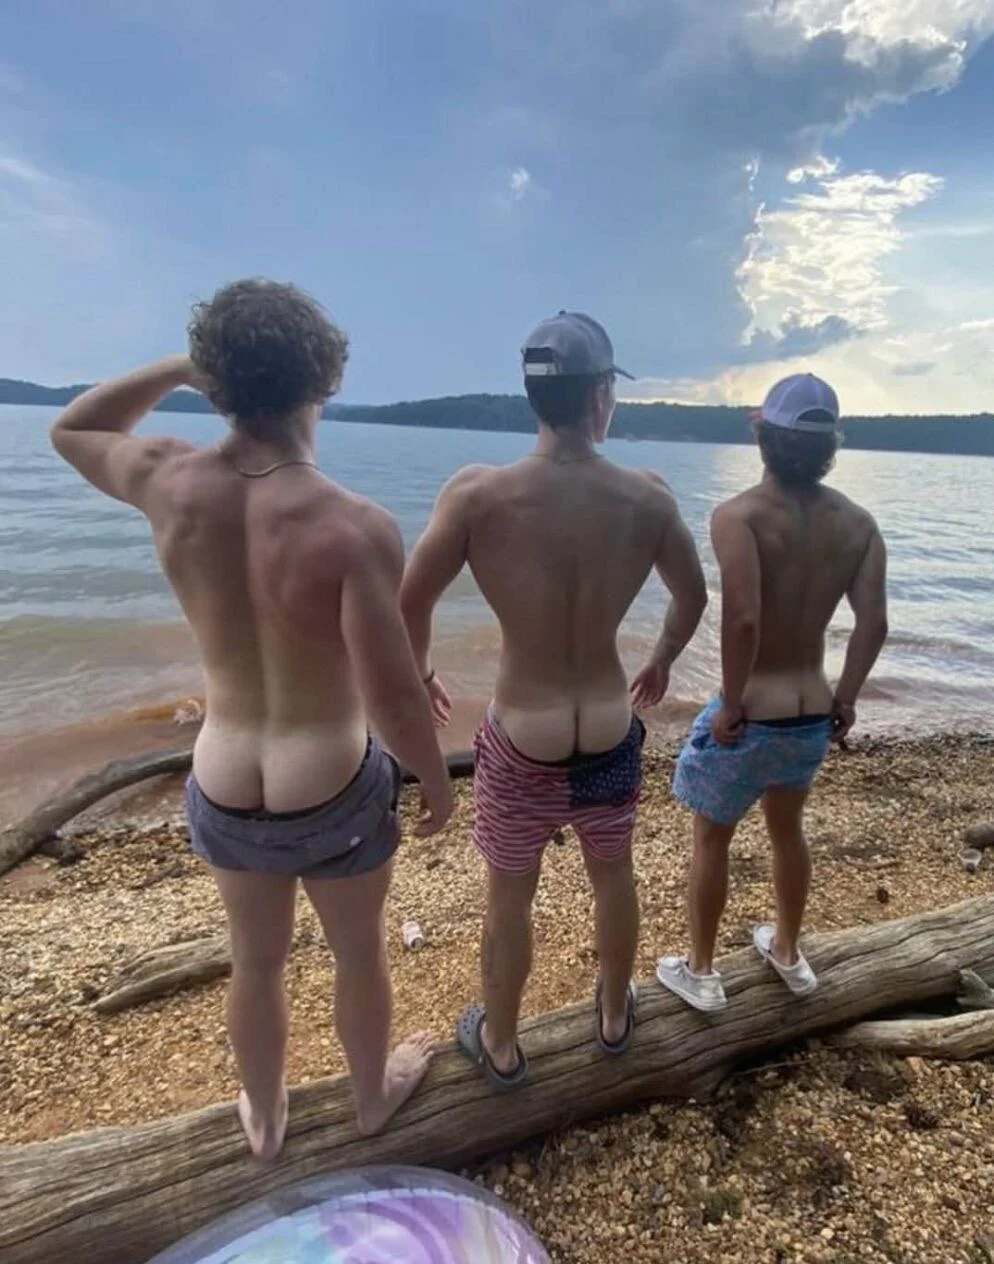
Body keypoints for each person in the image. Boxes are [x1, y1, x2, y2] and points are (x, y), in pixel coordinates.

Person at [50, 279, 453, 1156]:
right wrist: (433, 778)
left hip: (224, 777)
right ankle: (372, 1098)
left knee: (257, 960)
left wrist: (180, 369)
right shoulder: (354, 525)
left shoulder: (167, 479)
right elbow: (391, 693)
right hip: (331, 785)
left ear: (218, 384)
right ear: (326, 379)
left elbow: (73, 428)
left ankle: (265, 1119)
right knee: (357, 951)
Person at [400, 311, 707, 1088]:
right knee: (613, 873)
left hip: (523, 738)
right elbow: (694, 596)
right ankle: (614, 1016)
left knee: (510, 895)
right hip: (607, 726)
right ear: (600, 397)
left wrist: (424, 671)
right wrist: (662, 659)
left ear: (532, 395)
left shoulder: (477, 495)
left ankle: (501, 1044)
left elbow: (410, 600)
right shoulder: (648, 497)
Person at [658, 373, 888, 1012]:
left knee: (713, 838)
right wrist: (846, 697)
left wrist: (731, 704)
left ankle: (702, 972)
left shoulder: (738, 516)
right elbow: (873, 624)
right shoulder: (859, 524)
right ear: (830, 446)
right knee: (789, 831)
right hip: (810, 711)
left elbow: (744, 620)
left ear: (764, 436)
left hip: (753, 712)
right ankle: (787, 951)